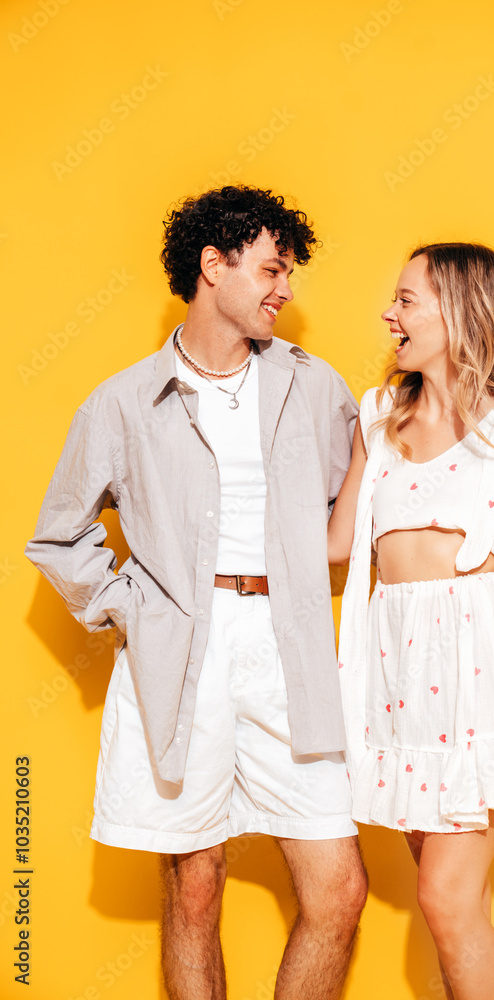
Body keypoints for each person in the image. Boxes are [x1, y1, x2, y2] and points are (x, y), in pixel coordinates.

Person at [25, 185, 369, 1000]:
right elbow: (58, 536)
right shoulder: (122, 402)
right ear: (213, 266)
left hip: (290, 649)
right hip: (181, 653)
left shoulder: (316, 387)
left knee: (338, 890)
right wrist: (134, 610)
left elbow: (362, 505)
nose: (285, 289)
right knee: (194, 884)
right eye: (272, 270)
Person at [328, 242, 494, 999]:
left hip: (477, 658)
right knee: (452, 902)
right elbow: (338, 544)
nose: (389, 315)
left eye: (406, 300)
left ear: (460, 310)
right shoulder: (379, 416)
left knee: (444, 898)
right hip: (395, 664)